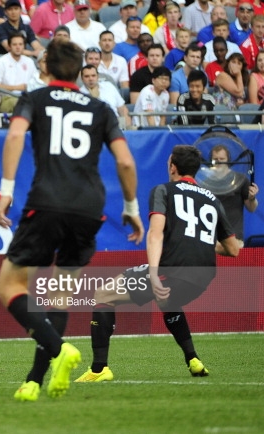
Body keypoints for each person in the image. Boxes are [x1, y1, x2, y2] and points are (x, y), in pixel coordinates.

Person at [0, 38, 144, 401]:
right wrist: (132, 207)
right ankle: (33, 381)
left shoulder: (34, 99)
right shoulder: (102, 108)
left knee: (9, 285)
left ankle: (59, 349)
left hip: (47, 202)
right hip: (89, 207)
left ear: (45, 67)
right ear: (79, 71)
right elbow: (125, 161)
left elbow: (15, 135)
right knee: (59, 293)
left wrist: (6, 189)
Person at [75, 145, 240, 383]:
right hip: (203, 276)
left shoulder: (164, 190)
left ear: (173, 167)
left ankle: (99, 369)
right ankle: (193, 359)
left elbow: (155, 234)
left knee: (103, 294)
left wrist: (153, 273)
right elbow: (233, 249)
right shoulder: (212, 199)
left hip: (173, 269)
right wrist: (201, 243)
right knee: (167, 299)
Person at [209, 145, 259, 245]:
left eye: (222, 159)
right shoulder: (205, 182)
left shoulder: (240, 180)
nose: (219, 162)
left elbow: (251, 208)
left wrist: (252, 198)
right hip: (210, 238)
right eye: (216, 159)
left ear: (228, 159)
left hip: (234, 238)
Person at [0, 32, 37, 113]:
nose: (18, 47)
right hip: (6, 98)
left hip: (28, 97)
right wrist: (17, 88)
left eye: (20, 44)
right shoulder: (1, 61)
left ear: (24, 46)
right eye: (14, 44)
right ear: (9, 46)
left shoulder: (29, 62)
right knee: (22, 105)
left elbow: (36, 83)